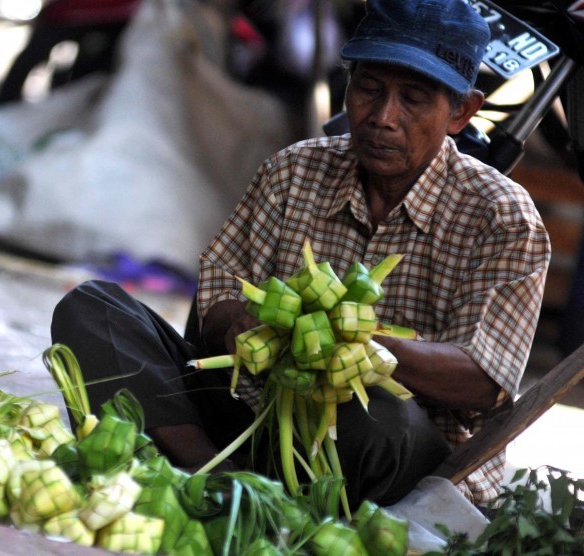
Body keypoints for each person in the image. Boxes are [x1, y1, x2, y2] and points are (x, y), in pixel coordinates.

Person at [51, 0, 551, 508]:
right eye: (369, 89)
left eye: (414, 100)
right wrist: (239, 321)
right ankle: (214, 476)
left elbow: (484, 381)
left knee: (377, 415)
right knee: (94, 312)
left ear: (462, 111)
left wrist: (351, 345)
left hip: (383, 456)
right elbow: (218, 290)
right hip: (254, 421)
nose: (383, 118)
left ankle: (225, 484)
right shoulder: (294, 171)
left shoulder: (502, 217)